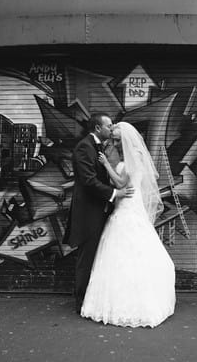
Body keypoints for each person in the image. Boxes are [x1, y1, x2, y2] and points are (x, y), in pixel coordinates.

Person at [81, 121, 176, 328]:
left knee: (120, 252)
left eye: (116, 140)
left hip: (126, 205)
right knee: (136, 251)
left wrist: (106, 165)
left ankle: (121, 302)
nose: (114, 144)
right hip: (135, 205)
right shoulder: (139, 157)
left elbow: (121, 184)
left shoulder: (127, 162)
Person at [64, 113, 134, 315]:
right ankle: (81, 303)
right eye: (109, 126)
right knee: (86, 258)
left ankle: (91, 300)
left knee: (96, 257)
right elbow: (88, 181)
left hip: (100, 211)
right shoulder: (84, 147)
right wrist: (115, 193)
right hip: (88, 213)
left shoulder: (95, 146)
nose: (111, 129)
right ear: (97, 128)